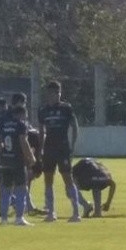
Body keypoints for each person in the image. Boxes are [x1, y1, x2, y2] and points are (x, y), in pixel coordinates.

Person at [37, 80, 90, 223]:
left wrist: (73, 145)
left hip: (63, 147)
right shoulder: (43, 110)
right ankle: (51, 212)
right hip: (49, 148)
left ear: (59, 93)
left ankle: (76, 212)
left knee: (68, 179)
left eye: (56, 93)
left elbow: (75, 126)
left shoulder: (66, 108)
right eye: (51, 93)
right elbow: (41, 131)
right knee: (48, 180)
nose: (53, 95)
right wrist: (40, 149)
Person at [0, 105, 37, 226]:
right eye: (25, 115)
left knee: (6, 190)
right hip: (18, 161)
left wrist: (4, 153)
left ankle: (4, 219)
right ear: (21, 114)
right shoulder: (20, 125)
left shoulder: (3, 124)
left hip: (5, 161)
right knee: (21, 189)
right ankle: (19, 218)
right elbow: (23, 142)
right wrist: (31, 157)